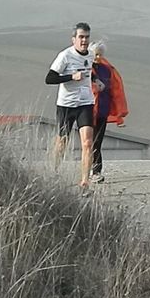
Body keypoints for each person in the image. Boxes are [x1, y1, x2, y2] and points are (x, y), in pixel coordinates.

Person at [45, 22, 96, 189]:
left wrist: (97, 81)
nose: (84, 41)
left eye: (87, 37)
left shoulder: (91, 55)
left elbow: (88, 72)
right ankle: (53, 171)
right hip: (66, 104)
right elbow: (50, 78)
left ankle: (85, 182)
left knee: (88, 143)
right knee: (62, 142)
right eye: (81, 37)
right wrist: (70, 77)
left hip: (85, 103)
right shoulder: (65, 56)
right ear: (73, 39)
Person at [89, 41, 129, 183]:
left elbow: (116, 92)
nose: (97, 57)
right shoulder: (85, 68)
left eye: (99, 54)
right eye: (95, 54)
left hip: (102, 110)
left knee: (97, 142)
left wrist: (119, 114)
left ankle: (96, 171)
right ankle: (87, 170)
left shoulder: (107, 70)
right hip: (88, 110)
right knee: (88, 142)